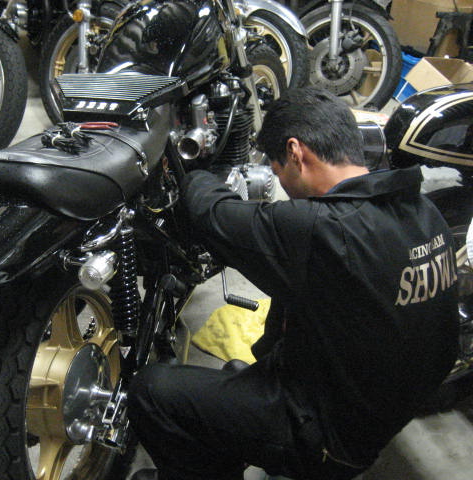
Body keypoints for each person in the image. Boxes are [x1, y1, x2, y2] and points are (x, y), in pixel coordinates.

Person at [127, 87, 459, 480]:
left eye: (277, 170)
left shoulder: (321, 229)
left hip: (332, 441)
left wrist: (194, 169)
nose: (280, 183)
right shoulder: (423, 210)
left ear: (296, 152)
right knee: (273, 329)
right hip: (385, 407)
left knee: (152, 391)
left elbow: (210, 211)